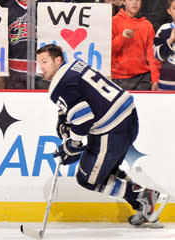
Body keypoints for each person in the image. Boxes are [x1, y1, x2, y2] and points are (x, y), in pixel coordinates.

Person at [37, 43, 169, 227]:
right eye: (38, 63)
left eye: (44, 62)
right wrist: (64, 118)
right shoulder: (76, 65)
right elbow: (81, 97)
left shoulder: (59, 84)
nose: (40, 67)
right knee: (107, 170)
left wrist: (72, 144)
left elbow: (83, 119)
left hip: (111, 127)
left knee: (87, 178)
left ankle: (144, 196)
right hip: (128, 117)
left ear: (58, 60)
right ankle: (145, 208)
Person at [111, 0, 161, 91]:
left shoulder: (147, 25)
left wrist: (155, 79)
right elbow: (108, 52)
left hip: (143, 78)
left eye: (138, 0)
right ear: (123, 2)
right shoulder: (114, 22)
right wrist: (122, 37)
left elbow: (152, 56)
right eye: (130, 0)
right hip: (118, 78)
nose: (135, 3)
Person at [153, 0, 175, 91]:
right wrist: (171, 40)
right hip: (166, 84)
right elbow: (158, 56)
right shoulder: (164, 29)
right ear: (169, 11)